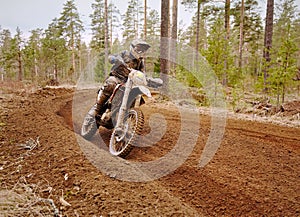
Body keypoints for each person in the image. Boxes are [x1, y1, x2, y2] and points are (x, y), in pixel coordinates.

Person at [94, 39, 151, 120]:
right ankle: (98, 109)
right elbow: (111, 57)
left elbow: (143, 74)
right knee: (111, 84)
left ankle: (127, 118)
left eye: (143, 49)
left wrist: (150, 80)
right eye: (139, 48)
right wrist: (114, 59)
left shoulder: (140, 62)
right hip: (117, 77)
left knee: (137, 95)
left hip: (129, 83)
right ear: (133, 47)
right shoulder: (125, 53)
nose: (140, 51)